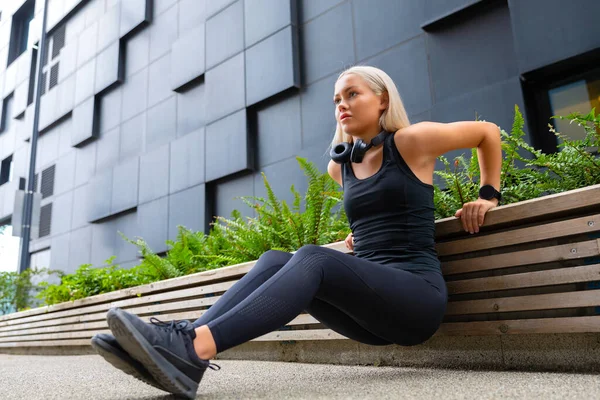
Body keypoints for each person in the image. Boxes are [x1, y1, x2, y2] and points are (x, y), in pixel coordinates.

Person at [90, 65, 502, 399]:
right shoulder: (339, 167)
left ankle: (192, 348)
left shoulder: (411, 141)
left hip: (416, 300)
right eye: (337, 99)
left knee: (312, 255)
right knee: (274, 260)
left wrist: (488, 195)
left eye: (353, 94)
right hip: (375, 311)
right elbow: (377, 219)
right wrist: (357, 243)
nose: (342, 104)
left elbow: (487, 133)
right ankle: (182, 344)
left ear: (383, 100)